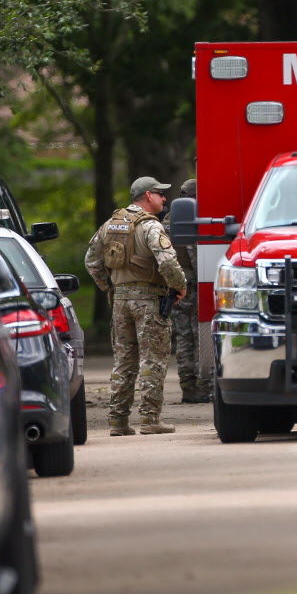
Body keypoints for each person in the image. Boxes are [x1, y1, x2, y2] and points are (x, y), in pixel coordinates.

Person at [85, 177, 188, 435]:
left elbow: (91, 261)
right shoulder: (150, 227)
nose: (164, 199)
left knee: (123, 360)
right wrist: (180, 286)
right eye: (160, 194)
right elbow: (167, 263)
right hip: (149, 301)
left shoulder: (110, 224)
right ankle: (150, 419)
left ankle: (118, 422)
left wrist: (109, 288)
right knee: (152, 359)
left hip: (120, 301)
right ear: (147, 196)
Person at [165, 179, 212, 403]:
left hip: (176, 286)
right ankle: (201, 388)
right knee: (199, 336)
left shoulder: (167, 222)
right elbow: (195, 258)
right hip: (193, 286)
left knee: (184, 337)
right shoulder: (193, 220)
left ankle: (188, 387)